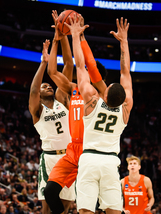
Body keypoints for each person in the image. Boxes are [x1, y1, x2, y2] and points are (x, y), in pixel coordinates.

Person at [66, 16, 133, 214]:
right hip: (111, 161)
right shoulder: (125, 109)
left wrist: (76, 37)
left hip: (89, 159)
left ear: (106, 92)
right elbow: (126, 71)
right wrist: (124, 43)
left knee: (86, 210)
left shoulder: (92, 100)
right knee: (113, 210)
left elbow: (80, 66)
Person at [44, 10, 107, 214]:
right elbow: (53, 72)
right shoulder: (73, 89)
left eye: (88, 72)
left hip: (92, 150)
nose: (83, 72)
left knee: (91, 203)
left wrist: (77, 35)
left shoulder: (100, 95)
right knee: (50, 192)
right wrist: (57, 39)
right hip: (73, 150)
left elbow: (80, 62)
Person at [28, 37, 74, 214]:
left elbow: (68, 65)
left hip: (69, 158)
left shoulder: (61, 99)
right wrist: (43, 63)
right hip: (50, 159)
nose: (47, 86)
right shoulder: (37, 111)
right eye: (44, 86)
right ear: (39, 95)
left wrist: (60, 38)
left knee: (65, 205)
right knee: (47, 207)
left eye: (49, 85)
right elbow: (33, 90)